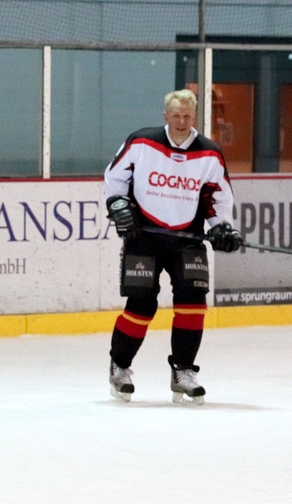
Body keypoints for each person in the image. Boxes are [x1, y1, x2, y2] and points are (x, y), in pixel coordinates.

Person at [104, 88, 242, 405]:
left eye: (187, 116)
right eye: (176, 115)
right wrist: (118, 204)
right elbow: (115, 177)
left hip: (187, 238)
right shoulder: (142, 142)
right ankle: (119, 366)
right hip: (144, 236)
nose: (181, 122)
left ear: (195, 117)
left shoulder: (209, 153)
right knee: (141, 306)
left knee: (193, 305)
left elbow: (218, 196)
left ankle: (183, 371)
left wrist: (222, 227)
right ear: (166, 115)